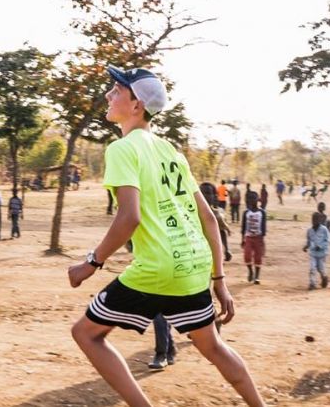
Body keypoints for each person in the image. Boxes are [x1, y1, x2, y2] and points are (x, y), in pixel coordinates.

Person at [67, 65, 264, 407]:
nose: (108, 95)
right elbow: (209, 220)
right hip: (192, 266)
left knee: (86, 334)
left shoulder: (123, 149)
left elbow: (129, 217)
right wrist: (219, 280)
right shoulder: (173, 152)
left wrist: (92, 262)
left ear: (136, 105)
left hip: (157, 266)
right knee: (213, 347)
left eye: (116, 90)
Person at [200, 182, 232, 262]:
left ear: (214, 197)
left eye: (208, 193)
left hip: (213, 254)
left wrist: (227, 249)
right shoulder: (192, 213)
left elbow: (222, 232)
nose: (204, 196)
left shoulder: (217, 215)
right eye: (201, 193)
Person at [241, 191, 266, 284]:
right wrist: (242, 239)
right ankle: (250, 271)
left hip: (258, 237)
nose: (252, 201)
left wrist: (262, 241)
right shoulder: (246, 213)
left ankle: (257, 276)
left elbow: (263, 227)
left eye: (254, 198)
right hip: (248, 237)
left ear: (258, 199)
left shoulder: (262, 212)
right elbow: (243, 227)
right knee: (247, 256)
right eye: (250, 199)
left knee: (258, 257)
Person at [303, 212, 330, 290]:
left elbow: (328, 241)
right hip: (313, 253)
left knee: (321, 268)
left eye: (316, 219)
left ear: (320, 220)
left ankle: (324, 278)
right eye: (313, 219)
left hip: (322, 253)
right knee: (312, 268)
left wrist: (321, 246)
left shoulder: (324, 229)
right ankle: (312, 284)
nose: (314, 221)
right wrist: (306, 247)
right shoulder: (309, 230)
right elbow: (308, 241)